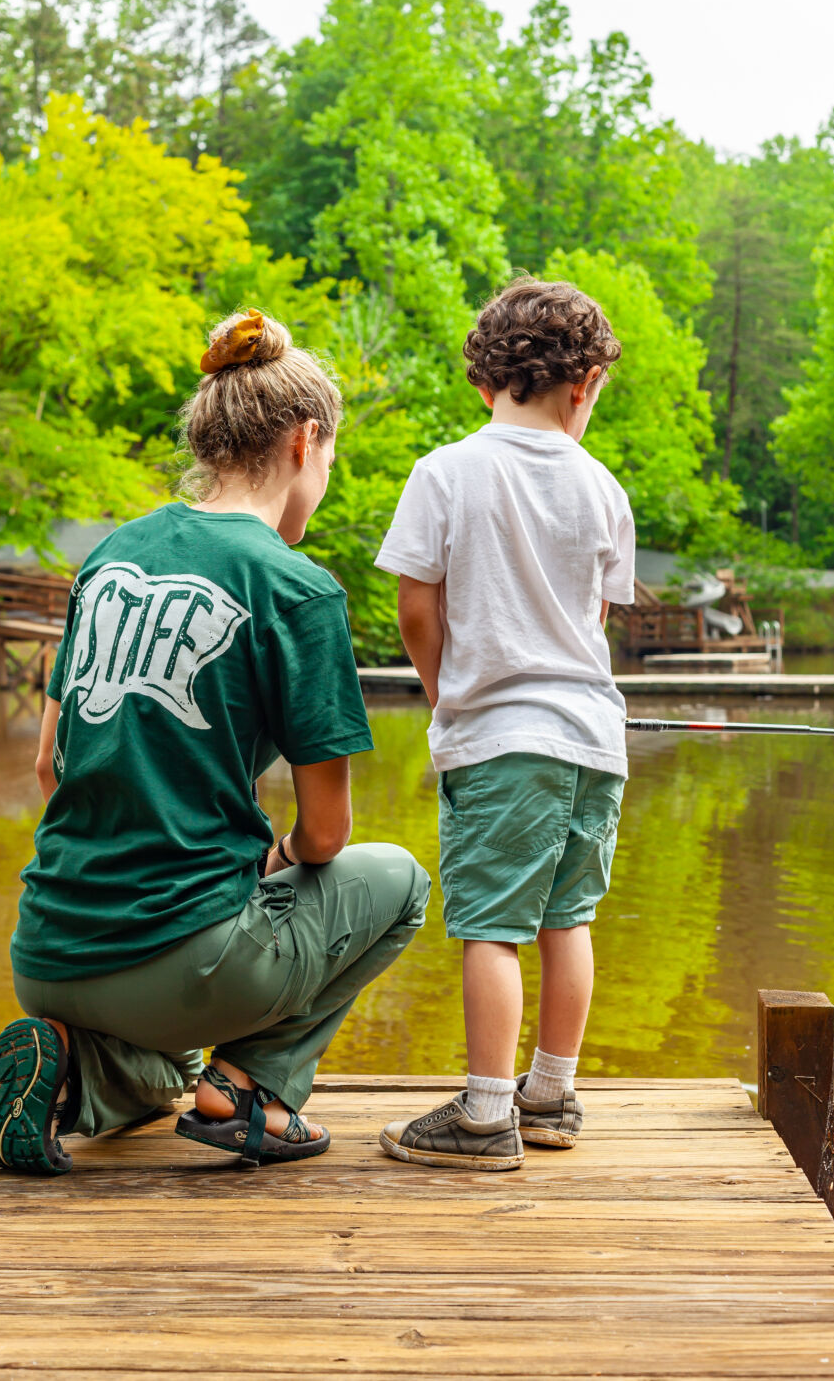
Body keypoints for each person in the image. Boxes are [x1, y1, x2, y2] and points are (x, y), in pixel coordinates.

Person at [0, 309, 429, 1177]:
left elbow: (49, 765)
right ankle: (254, 1089)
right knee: (400, 880)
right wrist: (271, 858)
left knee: (174, 1060)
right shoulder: (297, 588)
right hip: (185, 965)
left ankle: (68, 1073)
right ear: (305, 443)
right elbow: (326, 838)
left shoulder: (109, 555)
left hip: (45, 949)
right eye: (331, 459)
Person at [373, 277, 634, 1171]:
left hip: (499, 740)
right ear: (588, 379)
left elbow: (415, 604)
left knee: (490, 923)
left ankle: (486, 1114)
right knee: (570, 915)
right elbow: (593, 618)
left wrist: (448, 687)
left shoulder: (445, 470)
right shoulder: (602, 486)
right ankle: (551, 1093)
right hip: (594, 741)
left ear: (485, 379)